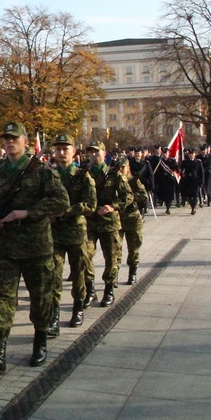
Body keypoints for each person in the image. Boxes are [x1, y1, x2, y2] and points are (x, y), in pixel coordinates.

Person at [0, 122, 68, 377]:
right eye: (6, 138)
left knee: (40, 298)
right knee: (3, 300)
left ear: (25, 141)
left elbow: (61, 201)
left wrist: (28, 212)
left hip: (36, 246)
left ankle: (40, 342)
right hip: (4, 247)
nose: (9, 142)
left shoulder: (41, 171)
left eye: (14, 138)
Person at [48, 133, 96, 334]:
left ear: (73, 152)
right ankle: (54, 314)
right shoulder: (48, 175)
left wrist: (67, 211)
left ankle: (78, 307)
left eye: (65, 149)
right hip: (55, 233)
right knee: (54, 275)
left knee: (78, 272)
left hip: (76, 232)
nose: (60, 152)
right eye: (58, 149)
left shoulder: (83, 176)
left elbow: (90, 205)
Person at [83, 141, 133, 308]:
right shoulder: (84, 173)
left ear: (104, 153)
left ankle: (108, 290)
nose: (93, 155)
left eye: (97, 152)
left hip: (109, 222)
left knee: (111, 258)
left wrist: (112, 206)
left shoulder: (114, 174)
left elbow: (128, 196)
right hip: (90, 222)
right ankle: (90, 291)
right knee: (85, 256)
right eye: (91, 153)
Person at [117, 159, 148, 285]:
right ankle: (114, 276)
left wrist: (130, 197)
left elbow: (144, 196)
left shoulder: (133, 181)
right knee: (116, 250)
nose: (120, 170)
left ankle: (132, 273)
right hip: (118, 218)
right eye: (118, 167)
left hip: (132, 217)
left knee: (134, 248)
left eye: (122, 167)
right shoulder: (113, 181)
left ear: (128, 168)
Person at [181, 148, 204, 215]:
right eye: (190, 154)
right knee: (190, 196)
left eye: (192, 154)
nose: (191, 155)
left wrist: (201, 181)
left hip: (196, 180)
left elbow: (201, 172)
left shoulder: (198, 162)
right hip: (188, 180)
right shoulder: (185, 162)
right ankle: (192, 206)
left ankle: (193, 208)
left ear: (194, 154)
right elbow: (181, 170)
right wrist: (182, 174)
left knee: (196, 195)